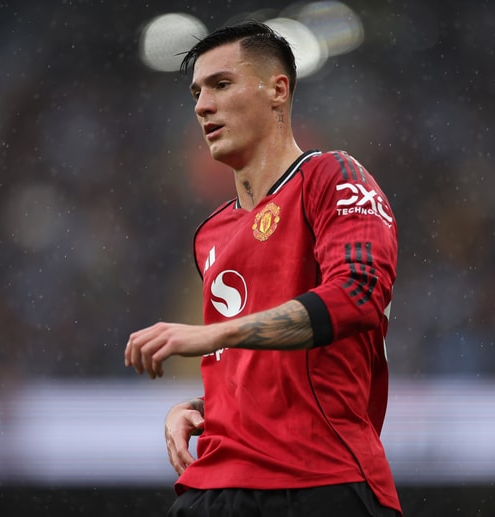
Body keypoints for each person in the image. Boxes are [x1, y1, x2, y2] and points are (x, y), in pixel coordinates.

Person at [125, 20, 401, 517]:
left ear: (278, 90)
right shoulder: (210, 235)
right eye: (196, 92)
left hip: (318, 480)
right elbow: (266, 375)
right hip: (212, 488)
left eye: (221, 84)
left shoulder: (331, 177)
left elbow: (358, 295)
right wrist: (206, 410)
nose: (201, 105)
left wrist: (212, 335)